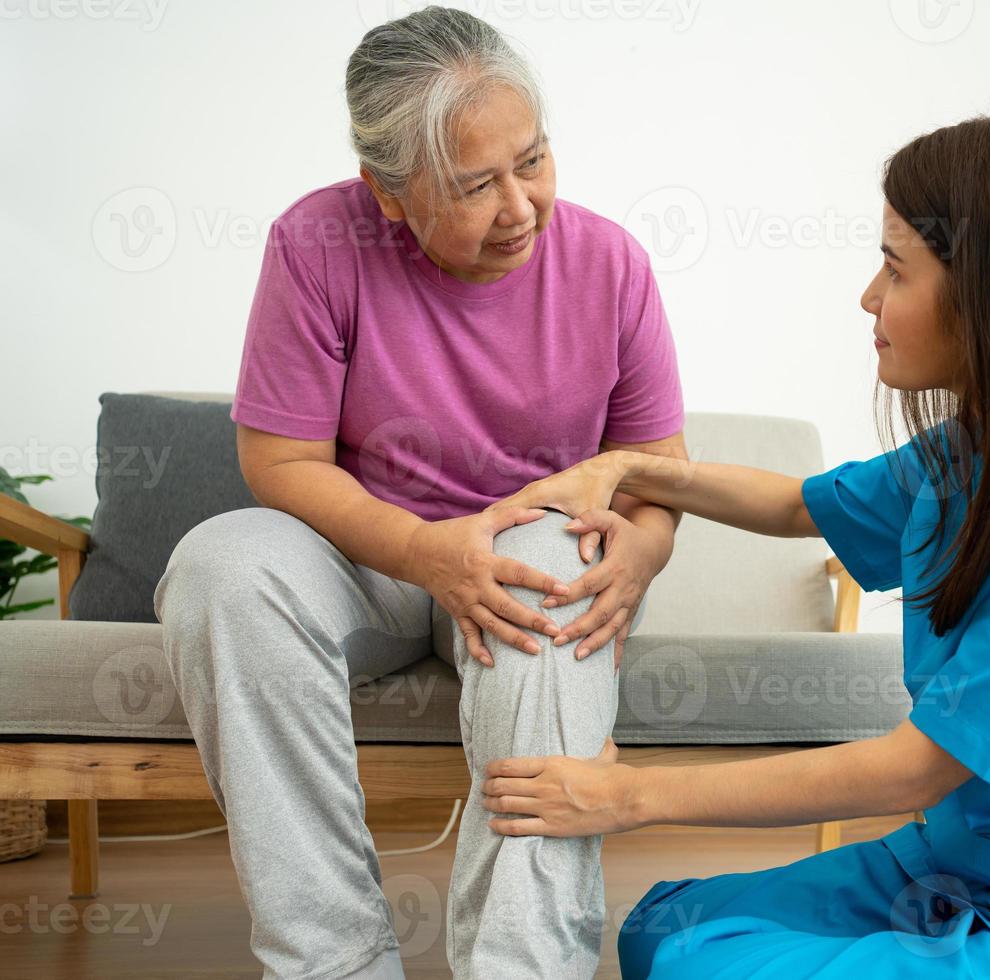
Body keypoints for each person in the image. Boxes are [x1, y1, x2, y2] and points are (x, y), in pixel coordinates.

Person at [481, 109, 990, 979]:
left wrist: (625, 797)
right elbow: (800, 506)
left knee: (707, 971)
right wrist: (628, 473)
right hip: (975, 865)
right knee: (667, 930)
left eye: (895, 269)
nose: (869, 298)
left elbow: (915, 770)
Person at [153, 7, 685, 978]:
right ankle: (332, 958)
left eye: (532, 160)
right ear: (387, 194)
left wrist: (640, 556)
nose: (520, 205)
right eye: (475, 185)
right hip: (375, 559)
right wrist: (424, 551)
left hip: (537, 556)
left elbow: (657, 467)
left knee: (551, 566)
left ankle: (520, 964)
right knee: (221, 567)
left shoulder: (609, 263)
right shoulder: (317, 241)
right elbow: (282, 461)